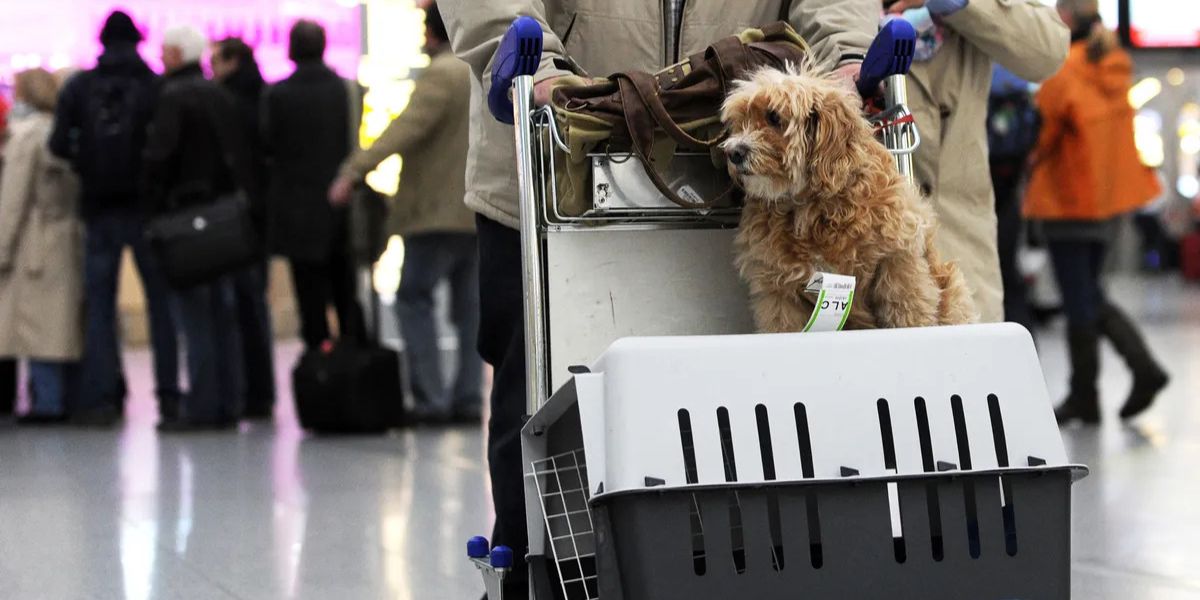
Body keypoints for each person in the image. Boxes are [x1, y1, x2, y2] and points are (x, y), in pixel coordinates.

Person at [440, 0, 880, 595]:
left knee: (748, 412)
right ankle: (540, 578)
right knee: (546, 413)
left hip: (736, 170)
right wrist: (531, 65)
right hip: (554, 162)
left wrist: (847, 57)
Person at [329, 4, 481, 424]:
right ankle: (468, 399)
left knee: (412, 298)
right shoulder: (479, 70)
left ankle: (431, 398)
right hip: (475, 213)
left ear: (431, 34)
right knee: (469, 311)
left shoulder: (442, 74)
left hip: (434, 214)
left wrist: (353, 170)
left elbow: (403, 130)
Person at [1025, 0, 1169, 425]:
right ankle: (1133, 374)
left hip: (1066, 200)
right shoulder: (1113, 66)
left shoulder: (1063, 70)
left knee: (1079, 299)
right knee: (1089, 293)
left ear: (1066, 19)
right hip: (1105, 203)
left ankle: (1096, 390)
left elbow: (1042, 136)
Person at [885, 0, 1069, 323]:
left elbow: (1049, 48)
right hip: (872, 260)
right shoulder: (848, 14)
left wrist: (965, 5)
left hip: (964, 252)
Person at [49, 10, 180, 426]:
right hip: (147, 210)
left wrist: (86, 163)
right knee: (162, 308)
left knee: (100, 309)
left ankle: (103, 398)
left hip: (98, 207)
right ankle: (169, 397)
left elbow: (57, 145)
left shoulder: (80, 87)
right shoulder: (156, 87)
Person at [143, 26, 252, 431]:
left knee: (195, 317)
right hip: (223, 218)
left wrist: (152, 206)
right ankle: (229, 401)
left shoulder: (172, 98)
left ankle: (203, 405)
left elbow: (159, 159)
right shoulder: (218, 94)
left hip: (186, 222)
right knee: (223, 313)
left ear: (174, 54)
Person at [264, 20, 365, 351]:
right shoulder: (346, 90)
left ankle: (320, 374)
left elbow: (267, 147)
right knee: (346, 298)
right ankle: (353, 367)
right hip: (341, 211)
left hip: (297, 214)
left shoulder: (277, 95)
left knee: (310, 303)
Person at [0, 69, 84, 424]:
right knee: (62, 325)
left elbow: (14, 199)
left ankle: (45, 403)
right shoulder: (68, 131)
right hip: (70, 233)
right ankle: (66, 399)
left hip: (32, 239)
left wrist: (2, 248)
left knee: (34, 329)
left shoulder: (26, 137)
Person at [212, 37, 277, 419]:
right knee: (256, 305)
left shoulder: (224, 102)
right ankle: (261, 393)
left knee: (233, 307)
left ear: (232, 61)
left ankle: (237, 393)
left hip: (232, 216)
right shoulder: (266, 96)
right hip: (260, 214)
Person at [987, 64, 1039, 333]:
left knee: (997, 269)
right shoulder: (1018, 78)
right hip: (1011, 183)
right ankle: (1027, 349)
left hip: (984, 181)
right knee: (1008, 271)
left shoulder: (983, 71)